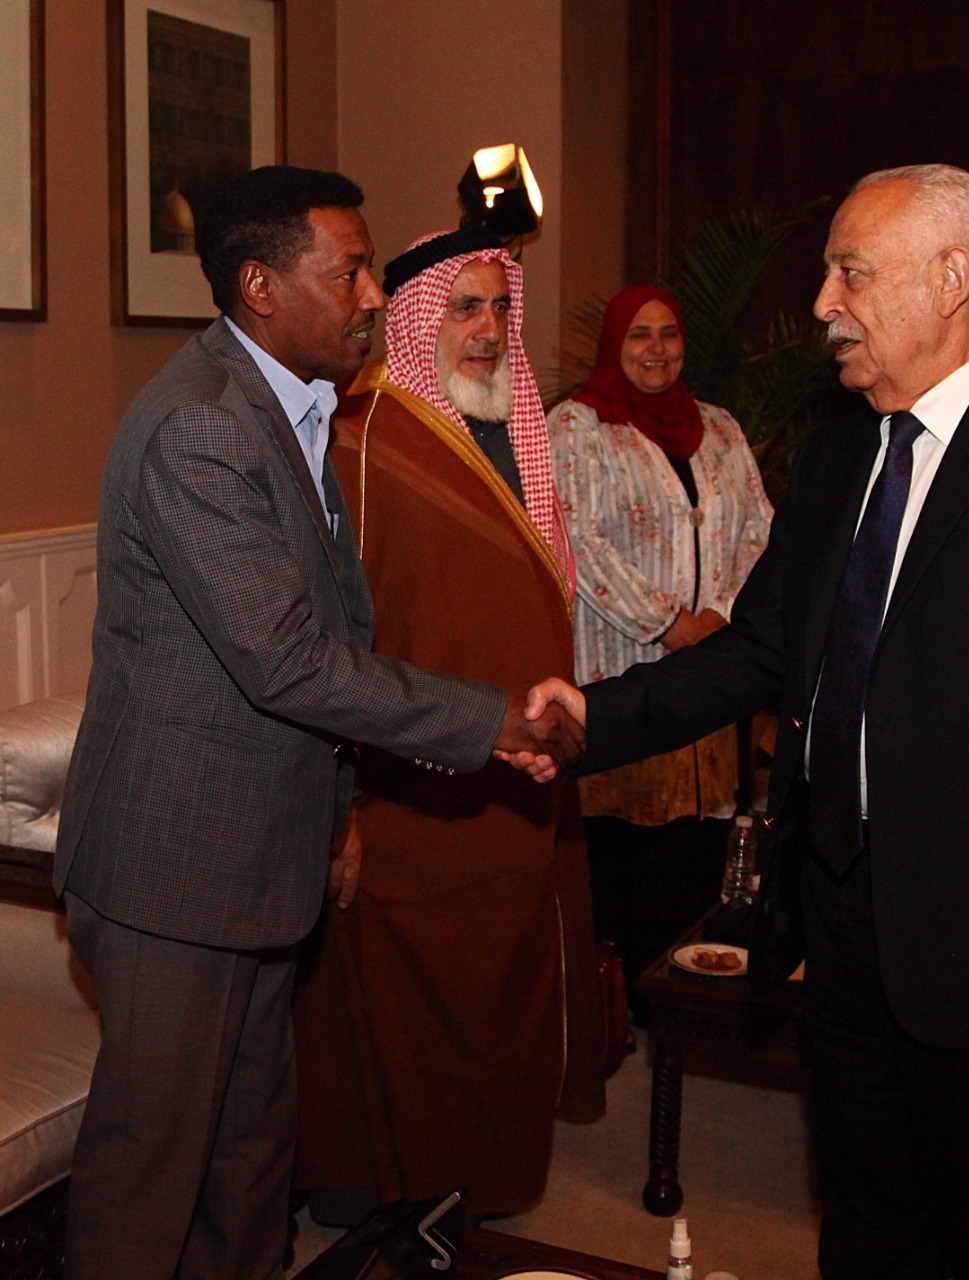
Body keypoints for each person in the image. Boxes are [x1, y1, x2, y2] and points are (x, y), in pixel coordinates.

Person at [515, 165, 969, 1279]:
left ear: (950, 278)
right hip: (841, 927)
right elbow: (758, 651)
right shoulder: (837, 455)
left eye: (849, 272)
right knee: (871, 1227)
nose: (823, 302)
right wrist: (591, 712)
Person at [53, 168, 581, 1280]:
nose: (371, 296)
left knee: (250, 1156)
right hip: (175, 866)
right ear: (260, 285)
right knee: (152, 1171)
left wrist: (336, 813)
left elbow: (338, 618)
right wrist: (487, 720)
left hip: (261, 851)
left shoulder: (296, 404)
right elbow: (288, 659)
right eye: (348, 273)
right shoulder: (200, 426)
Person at [292, 228, 605, 1222]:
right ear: (419, 316)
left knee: (504, 981)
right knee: (408, 999)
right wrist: (340, 798)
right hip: (410, 786)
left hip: (521, 778)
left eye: (499, 307)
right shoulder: (360, 437)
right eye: (464, 307)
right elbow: (329, 641)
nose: (488, 329)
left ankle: (485, 1181)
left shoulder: (515, 428)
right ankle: (392, 1194)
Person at [545, 285, 773, 1005]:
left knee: (696, 855)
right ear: (614, 343)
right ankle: (621, 1010)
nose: (655, 348)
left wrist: (722, 618)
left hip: (713, 673)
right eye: (638, 334)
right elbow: (576, 538)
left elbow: (760, 530)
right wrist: (670, 623)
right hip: (622, 670)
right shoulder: (577, 428)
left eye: (668, 333)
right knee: (624, 858)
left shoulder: (720, 427)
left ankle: (683, 1004)